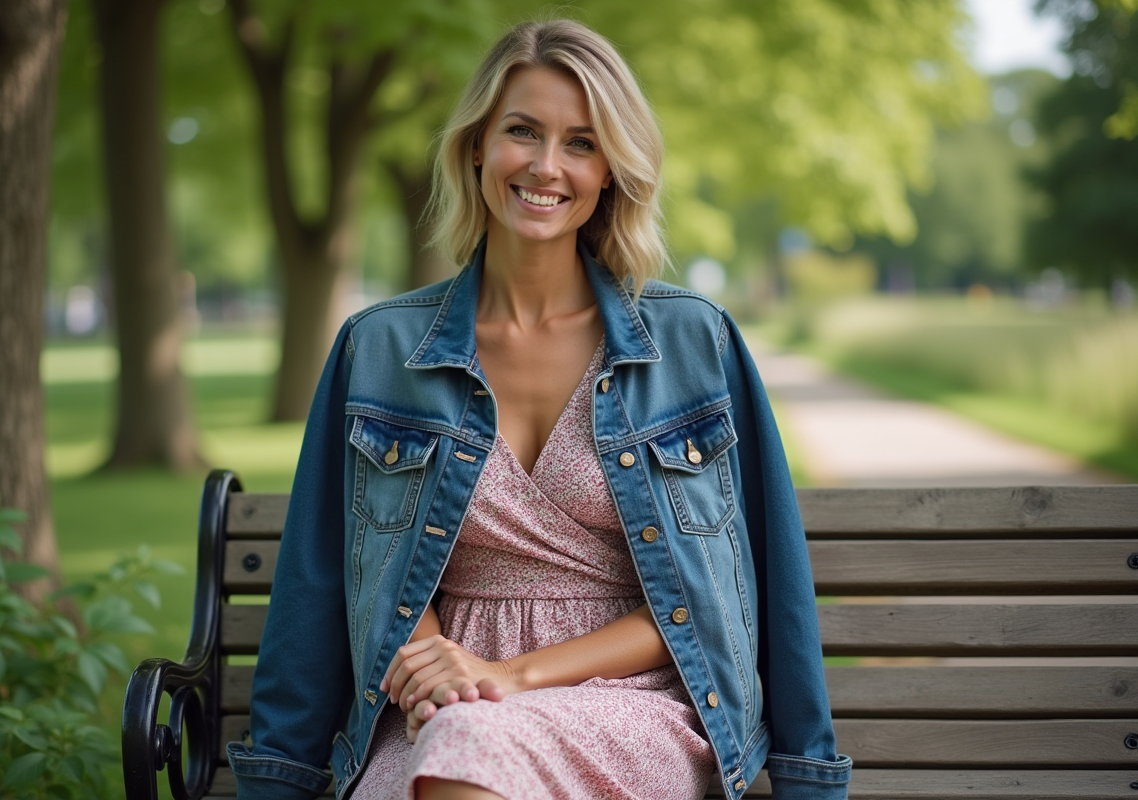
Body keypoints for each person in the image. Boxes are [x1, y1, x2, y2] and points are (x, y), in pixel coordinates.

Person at [227, 18, 851, 800]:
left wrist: (512, 676)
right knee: (455, 747)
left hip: (635, 701)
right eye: (523, 131)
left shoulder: (694, 342)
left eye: (582, 143)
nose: (547, 166)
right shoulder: (378, 349)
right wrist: (430, 667)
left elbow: (735, 588)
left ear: (612, 170)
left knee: (466, 752)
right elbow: (336, 572)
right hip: (435, 702)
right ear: (478, 145)